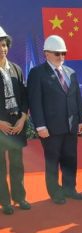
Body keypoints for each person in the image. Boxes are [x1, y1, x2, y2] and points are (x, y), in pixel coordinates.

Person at [27, 35, 82, 204]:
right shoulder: (37, 73)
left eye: (63, 53)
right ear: (46, 53)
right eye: (57, 53)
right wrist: (40, 125)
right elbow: (35, 101)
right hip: (50, 128)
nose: (61, 57)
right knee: (52, 161)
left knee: (70, 158)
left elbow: (76, 99)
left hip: (70, 126)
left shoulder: (70, 72)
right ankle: (55, 192)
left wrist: (81, 120)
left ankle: (70, 188)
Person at [0, 26, 31, 215]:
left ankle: (20, 198)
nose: (2, 49)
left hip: (17, 125)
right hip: (0, 127)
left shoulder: (17, 69)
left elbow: (24, 97)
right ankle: (5, 202)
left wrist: (23, 118)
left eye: (4, 45)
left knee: (18, 164)